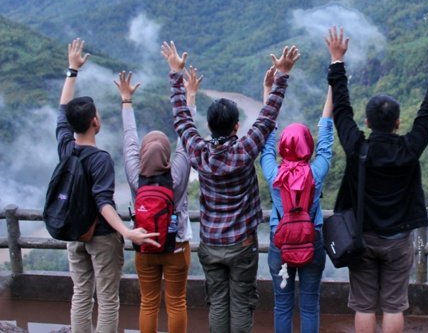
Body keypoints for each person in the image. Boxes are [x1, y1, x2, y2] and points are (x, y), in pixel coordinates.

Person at [325, 27, 428, 333]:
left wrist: (336, 61)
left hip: (362, 236)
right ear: (398, 122)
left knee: (363, 304)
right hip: (398, 239)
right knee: (395, 304)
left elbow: (342, 110)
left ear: (368, 122)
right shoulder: (410, 149)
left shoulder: (358, 148)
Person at [161, 40, 300, 333]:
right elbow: (267, 117)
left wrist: (177, 77)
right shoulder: (244, 150)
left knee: (218, 303)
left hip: (211, 243)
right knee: (241, 303)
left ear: (209, 127)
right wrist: (281, 76)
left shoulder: (198, 152)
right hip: (242, 244)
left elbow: (181, 119)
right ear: (237, 126)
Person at [56, 38, 158, 333]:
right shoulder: (99, 159)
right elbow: (103, 202)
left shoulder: (65, 146)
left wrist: (72, 70)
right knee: (108, 299)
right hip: (101, 236)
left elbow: (62, 111)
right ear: (96, 122)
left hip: (74, 234)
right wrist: (126, 231)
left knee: (81, 295)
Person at [117, 66, 203, 333]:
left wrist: (126, 101)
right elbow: (186, 136)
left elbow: (129, 139)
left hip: (144, 245)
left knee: (148, 302)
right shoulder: (177, 173)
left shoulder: (134, 174)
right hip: (176, 245)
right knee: (177, 302)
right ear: (167, 153)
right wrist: (190, 98)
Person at [260, 69, 334, 333]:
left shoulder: (273, 174)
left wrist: (268, 92)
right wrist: (333, 87)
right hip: (312, 242)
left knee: (282, 305)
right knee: (310, 304)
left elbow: (266, 138)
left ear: (283, 147)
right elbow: (326, 135)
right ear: (308, 146)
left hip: (280, 245)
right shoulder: (316, 172)